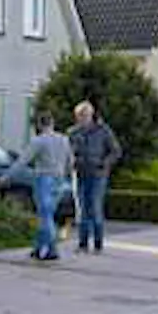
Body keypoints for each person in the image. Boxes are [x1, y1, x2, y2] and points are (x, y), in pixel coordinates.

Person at [6, 114, 74, 261]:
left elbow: (23, 160)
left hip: (44, 179)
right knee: (48, 215)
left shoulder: (38, 141)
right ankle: (38, 248)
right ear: (52, 123)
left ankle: (53, 249)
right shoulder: (64, 140)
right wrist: (65, 176)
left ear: (39, 125)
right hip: (59, 180)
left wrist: (7, 176)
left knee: (45, 216)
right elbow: (71, 162)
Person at [68, 101, 122, 254]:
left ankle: (98, 244)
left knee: (95, 207)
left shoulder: (103, 131)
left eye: (85, 115)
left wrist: (104, 163)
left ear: (91, 115)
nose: (82, 118)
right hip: (80, 173)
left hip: (98, 175)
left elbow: (116, 151)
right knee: (82, 209)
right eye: (79, 116)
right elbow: (68, 152)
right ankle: (83, 244)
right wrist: (71, 161)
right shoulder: (73, 132)